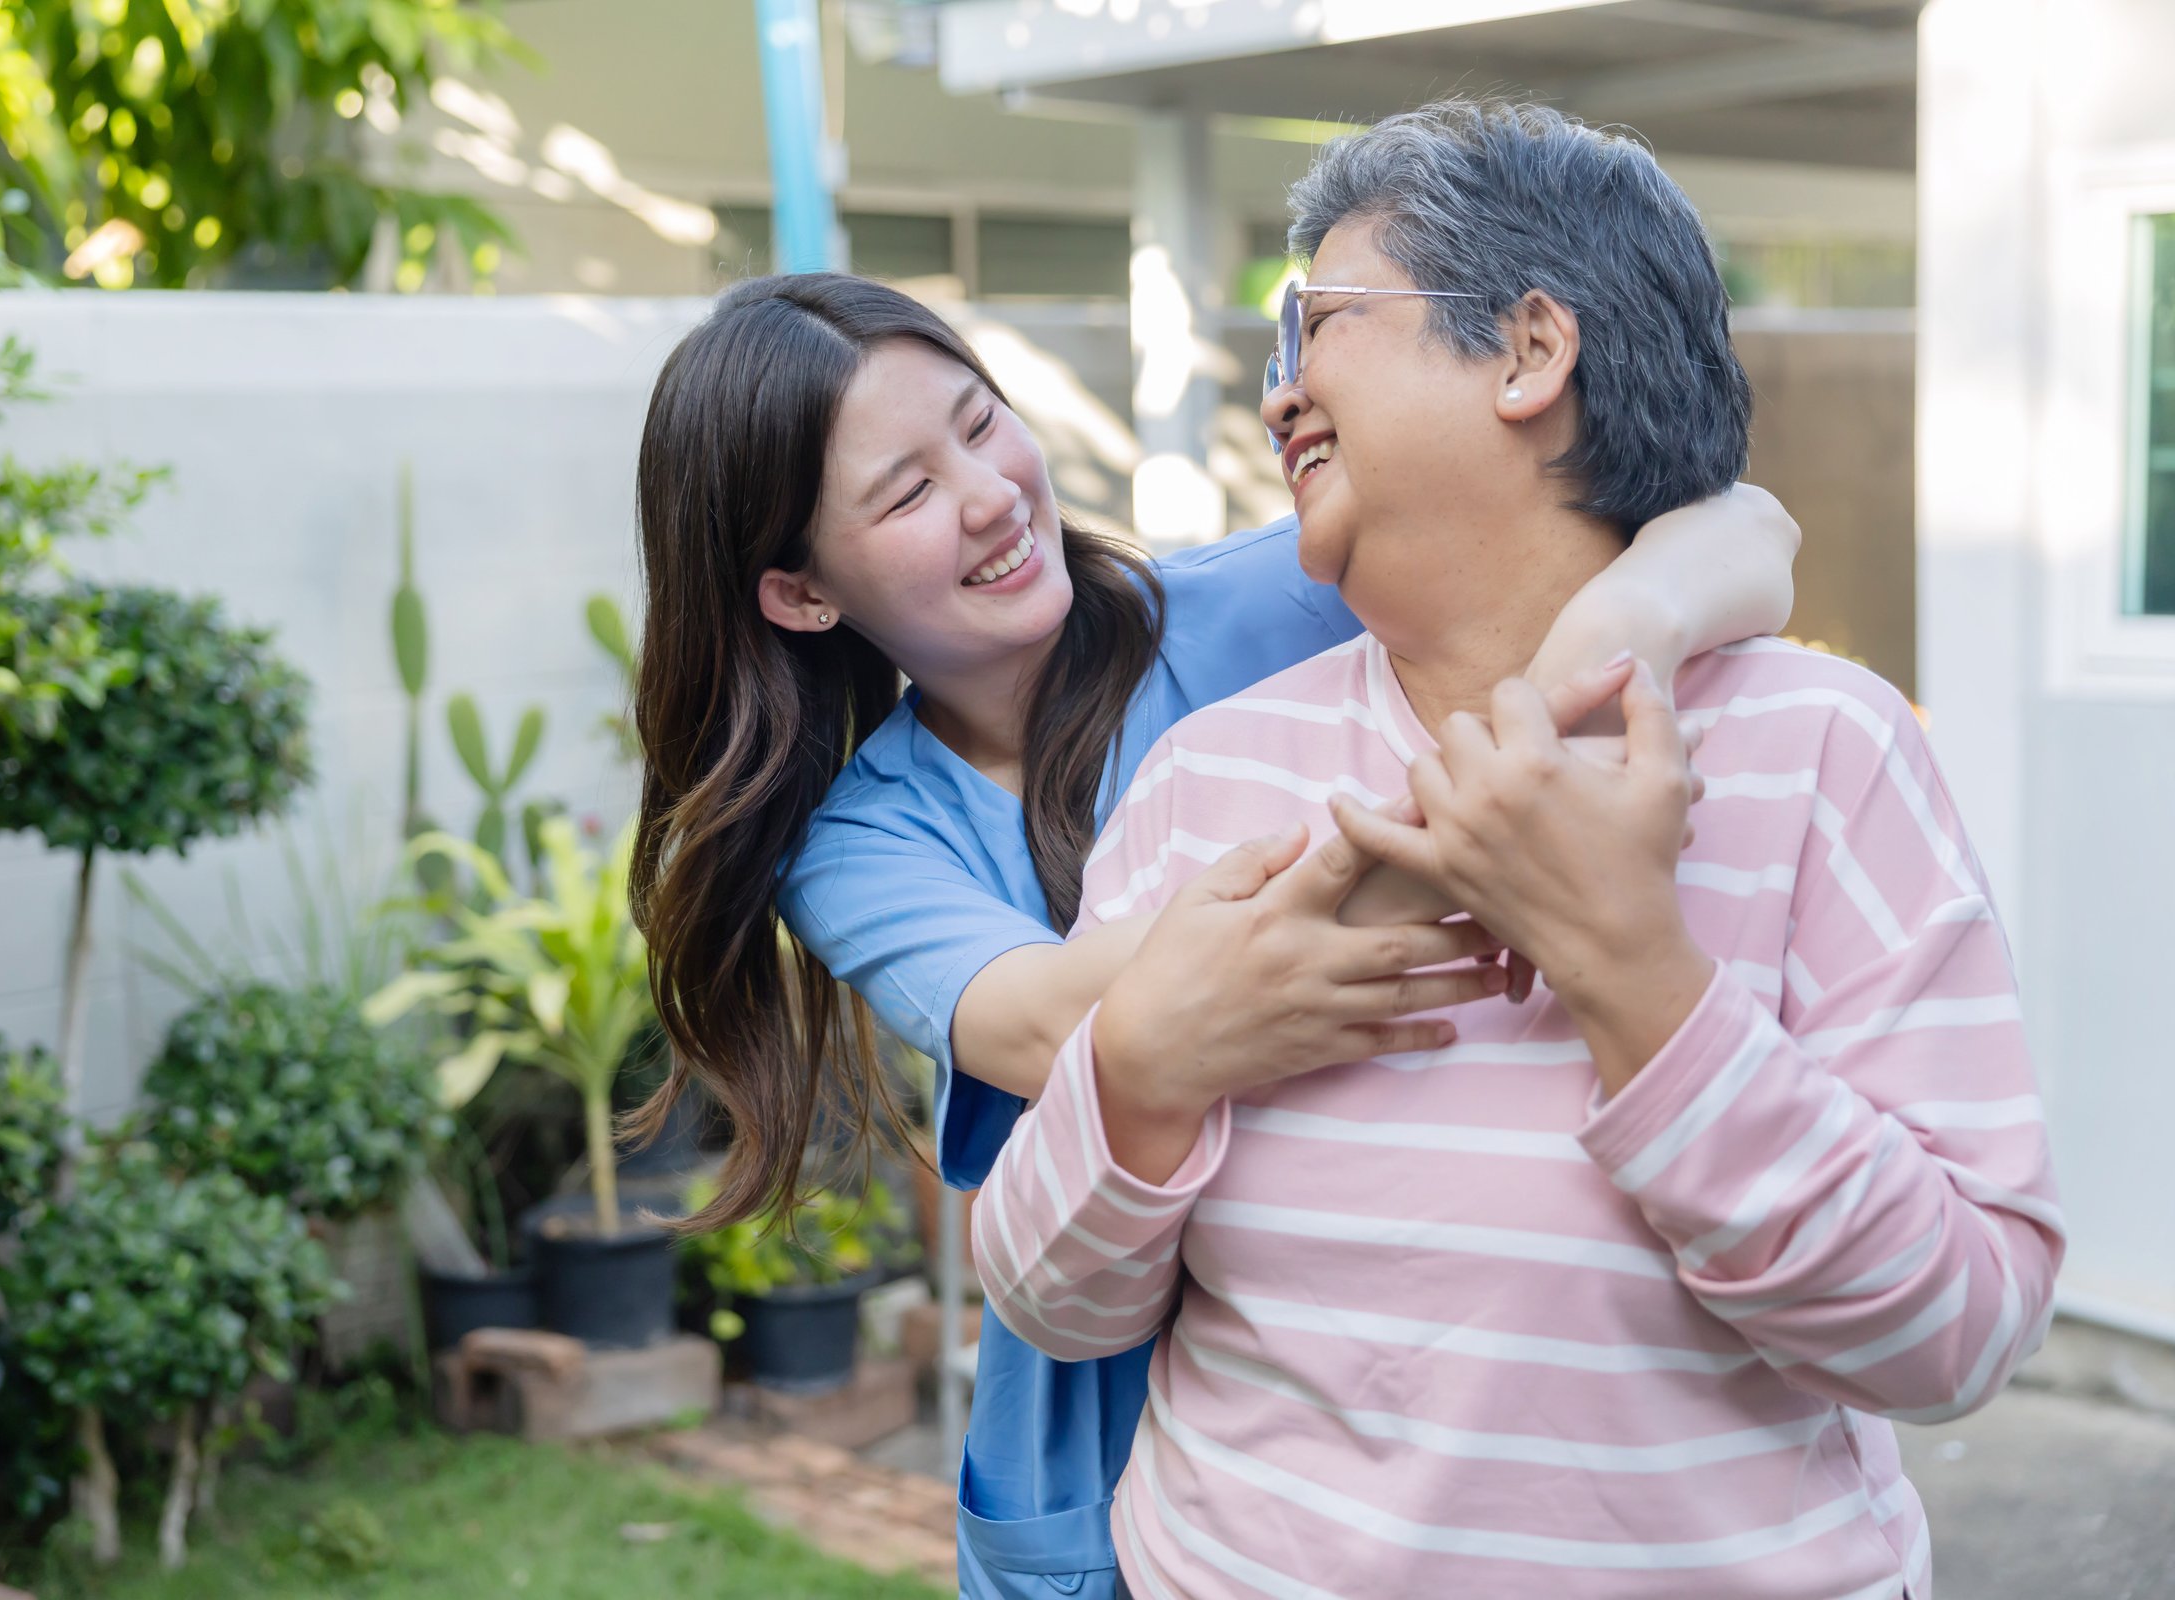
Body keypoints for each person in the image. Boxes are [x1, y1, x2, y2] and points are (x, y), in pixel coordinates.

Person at [973, 99, 2062, 1600]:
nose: (1277, 387)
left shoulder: (1830, 749)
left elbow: (1956, 1334)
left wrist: (1641, 983)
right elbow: (1051, 1297)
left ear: (1531, 352)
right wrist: (1149, 1063)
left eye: (1322, 323)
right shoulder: (1211, 772)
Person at [627, 272, 1800, 1599]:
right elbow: (1074, 1019)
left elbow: (1742, 527)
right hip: (1097, 1451)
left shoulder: (1278, 597)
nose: (990, 494)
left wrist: (1611, 636)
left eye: (979, 421)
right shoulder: (862, 842)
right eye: (903, 495)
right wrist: (1515, 807)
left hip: (1363, 1417)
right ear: (799, 593)